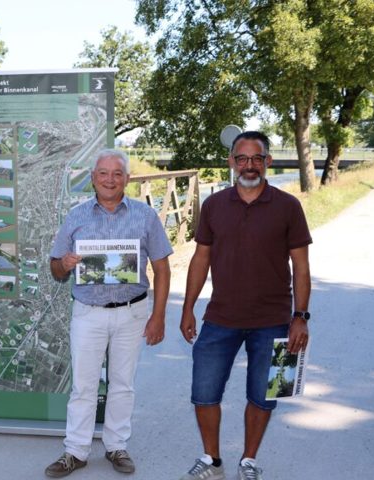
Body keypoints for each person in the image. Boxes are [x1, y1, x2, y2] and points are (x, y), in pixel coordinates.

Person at [178, 131, 312, 480]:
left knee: (264, 396)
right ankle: (212, 460)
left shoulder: (288, 206)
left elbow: (301, 266)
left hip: (274, 320)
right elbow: (200, 258)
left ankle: (248, 461)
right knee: (203, 392)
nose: (249, 165)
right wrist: (187, 307)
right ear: (231, 162)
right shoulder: (214, 205)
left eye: (256, 158)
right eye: (242, 158)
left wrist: (300, 317)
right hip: (220, 317)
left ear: (268, 161)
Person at [45, 149, 173, 477]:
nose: (110, 179)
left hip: (132, 312)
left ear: (127, 179)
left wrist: (158, 316)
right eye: (103, 173)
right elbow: (55, 268)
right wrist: (66, 263)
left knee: (122, 384)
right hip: (88, 312)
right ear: (93, 178)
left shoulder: (145, 215)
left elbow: (162, 268)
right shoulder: (76, 216)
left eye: (117, 173)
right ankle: (75, 451)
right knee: (83, 385)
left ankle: (116, 446)